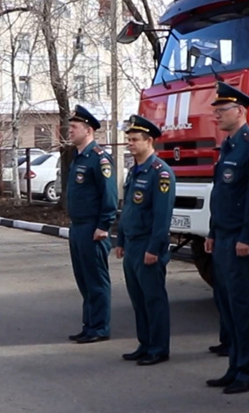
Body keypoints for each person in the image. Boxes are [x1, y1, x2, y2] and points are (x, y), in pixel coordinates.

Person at [203, 82, 249, 393]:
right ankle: (234, 365)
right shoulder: (229, 146)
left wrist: (246, 236)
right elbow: (221, 195)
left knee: (244, 306)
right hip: (224, 237)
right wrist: (213, 232)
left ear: (240, 111)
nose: (216, 115)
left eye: (222, 110)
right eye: (216, 110)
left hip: (242, 240)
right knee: (228, 305)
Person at [116, 114, 176, 366]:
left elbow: (162, 218)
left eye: (134, 140)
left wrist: (153, 248)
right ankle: (145, 343)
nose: (129, 144)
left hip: (147, 246)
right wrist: (120, 240)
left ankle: (159, 348)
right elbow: (128, 207)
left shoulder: (160, 174)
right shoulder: (135, 171)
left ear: (149, 141)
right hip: (131, 244)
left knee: (153, 298)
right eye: (128, 139)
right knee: (138, 298)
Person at [65, 105, 118, 344]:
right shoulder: (79, 157)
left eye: (74, 127)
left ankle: (99, 327)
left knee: (96, 279)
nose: (69, 131)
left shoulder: (99, 158)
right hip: (78, 227)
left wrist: (104, 225)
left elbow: (109, 195)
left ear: (88, 130)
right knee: (84, 279)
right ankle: (89, 325)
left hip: (92, 228)